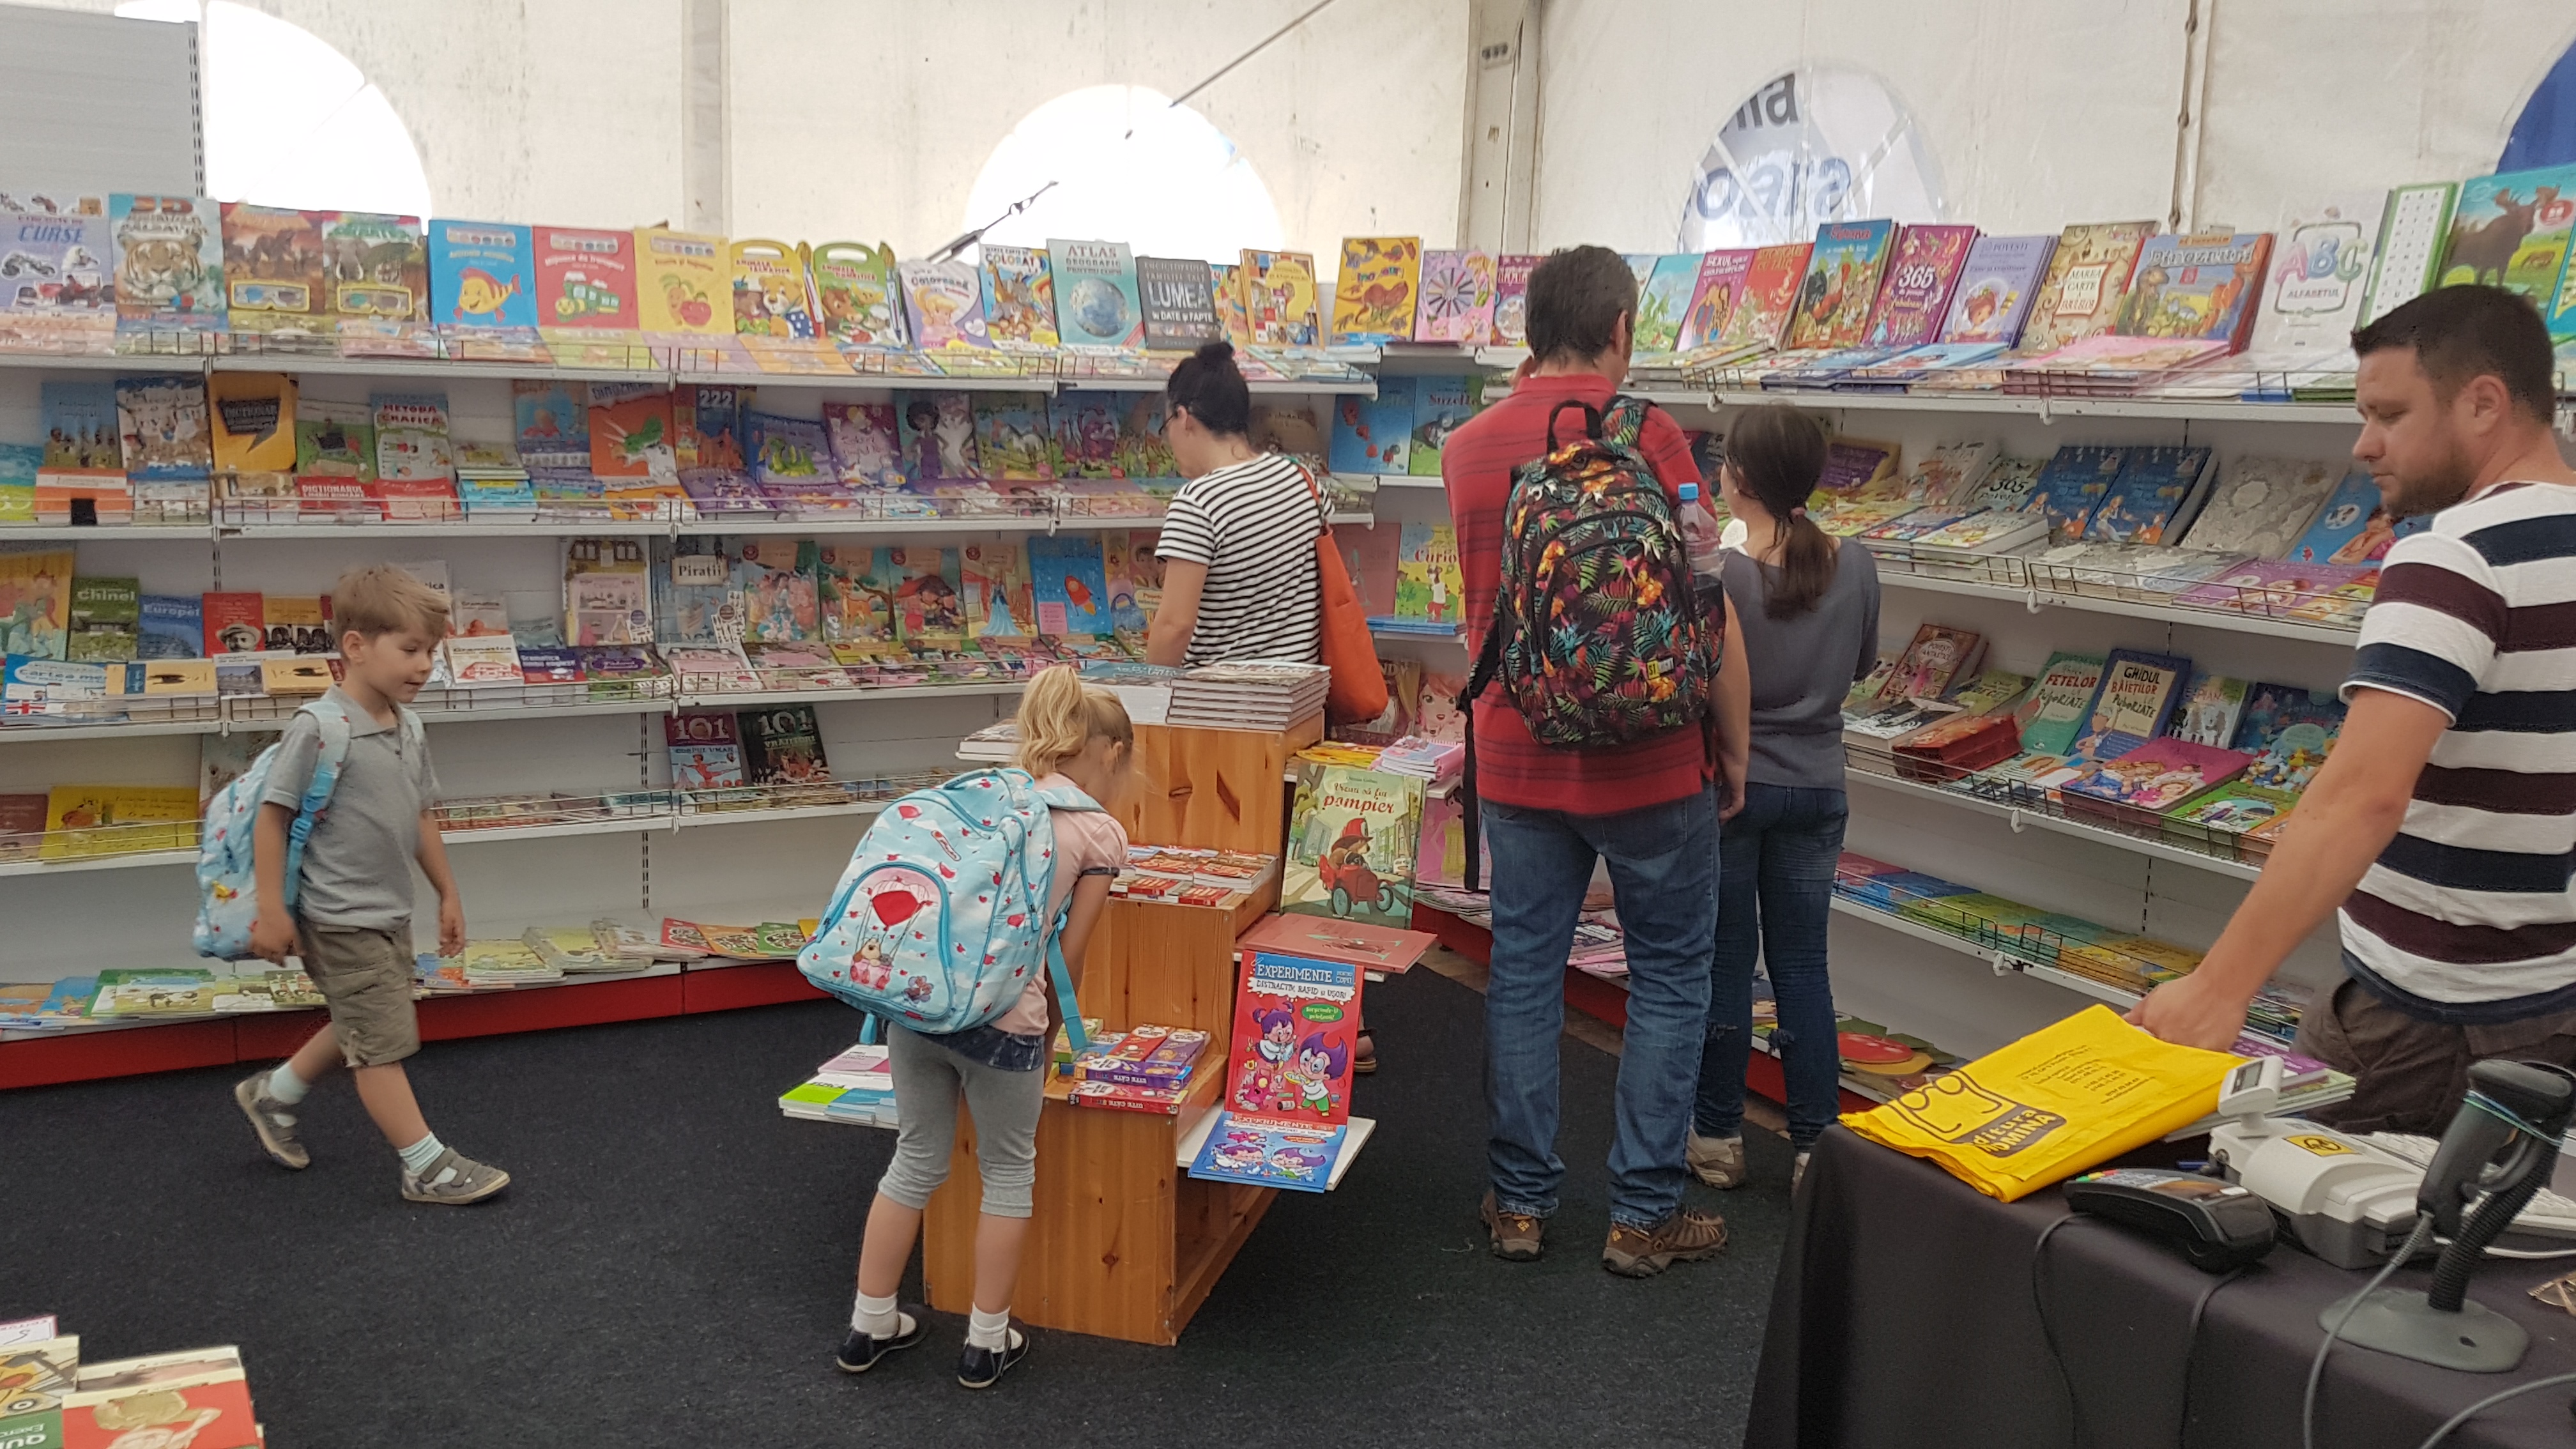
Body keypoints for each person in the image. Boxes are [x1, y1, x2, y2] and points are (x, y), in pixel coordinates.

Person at [2129, 285, 2576, 1133]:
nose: (2364, 444)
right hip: (2551, 999)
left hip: (2420, 1015)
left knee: (2302, 1201)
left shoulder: (2452, 557)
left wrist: (2218, 988)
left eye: (2390, 414)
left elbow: (2363, 796)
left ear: (2484, 403)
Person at [1442, 243, 1752, 1277]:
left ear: (1529, 330)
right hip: (1653, 758)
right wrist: (1733, 745)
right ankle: (1641, 1216)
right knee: (1671, 976)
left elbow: (1487, 607)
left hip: (1518, 755)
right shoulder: (1652, 434)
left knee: (1525, 971)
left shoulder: (1468, 448)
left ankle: (1521, 1203)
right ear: (1621, 328)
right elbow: (1705, 600)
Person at [839, 666, 1131, 1390]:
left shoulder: (984, 796)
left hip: (919, 1007)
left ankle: (868, 1323)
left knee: (914, 1161)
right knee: (1007, 1174)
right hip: (1005, 1025)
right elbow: (1070, 958)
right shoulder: (1096, 830)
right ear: (1113, 753)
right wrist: (1053, 1034)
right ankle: (985, 1342)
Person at [232, 565, 508, 1204]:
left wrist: (447, 892)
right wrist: (271, 910)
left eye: (431, 652)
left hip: (388, 911)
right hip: (338, 916)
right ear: (356, 646)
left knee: (364, 1019)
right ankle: (426, 1166)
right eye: (410, 649)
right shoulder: (319, 728)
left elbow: (420, 815)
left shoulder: (408, 727)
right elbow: (272, 818)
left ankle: (273, 1095)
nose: (425, 665)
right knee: (380, 1044)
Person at [1689, 403, 1881, 1193]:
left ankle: (1718, 1138)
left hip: (1737, 788)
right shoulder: (1856, 564)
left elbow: (1707, 679)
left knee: (1728, 963)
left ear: (1738, 478)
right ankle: (1813, 1148)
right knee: (1804, 967)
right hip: (1820, 786)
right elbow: (1862, 665)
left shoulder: (1726, 574)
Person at [1144, 339, 1323, 668]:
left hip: (1224, 696)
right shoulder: (1301, 479)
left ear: (1184, 418)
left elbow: (1175, 626)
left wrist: (1145, 690)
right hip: (1302, 691)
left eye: (1166, 427)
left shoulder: (1198, 503)